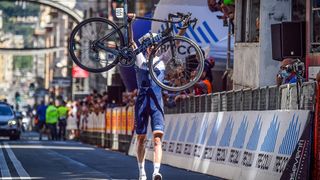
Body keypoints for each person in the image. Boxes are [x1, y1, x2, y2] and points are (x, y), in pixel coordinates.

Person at [128, 13, 187, 180]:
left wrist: (184, 27)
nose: (152, 47)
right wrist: (129, 24)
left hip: (156, 101)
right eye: (149, 45)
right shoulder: (140, 58)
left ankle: (156, 172)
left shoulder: (162, 60)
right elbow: (131, 43)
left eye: (154, 44)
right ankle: (141, 172)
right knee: (140, 139)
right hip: (142, 101)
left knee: (157, 140)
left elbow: (176, 42)